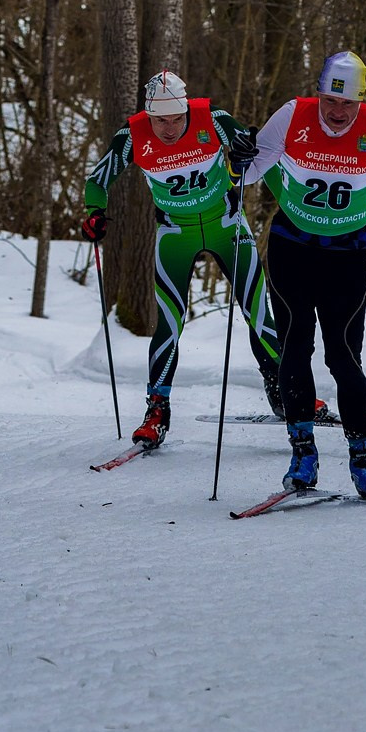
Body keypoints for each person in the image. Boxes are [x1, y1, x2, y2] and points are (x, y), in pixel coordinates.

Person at [233, 50, 366, 500]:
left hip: (347, 256)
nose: (336, 113)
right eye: (329, 102)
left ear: (360, 102)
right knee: (295, 347)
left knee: (344, 357)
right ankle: (303, 452)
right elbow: (250, 172)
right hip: (291, 249)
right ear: (318, 94)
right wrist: (236, 158)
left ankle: (363, 460)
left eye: (346, 105)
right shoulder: (293, 115)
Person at [81, 70, 280, 448]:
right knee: (169, 323)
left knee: (258, 312)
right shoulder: (132, 136)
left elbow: (255, 153)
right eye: (160, 121)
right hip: (175, 234)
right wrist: (94, 211)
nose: (169, 129)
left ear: (187, 110)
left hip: (227, 226)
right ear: (148, 115)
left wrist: (243, 153)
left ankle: (283, 392)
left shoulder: (212, 119)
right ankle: (157, 410)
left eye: (177, 119)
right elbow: (97, 179)